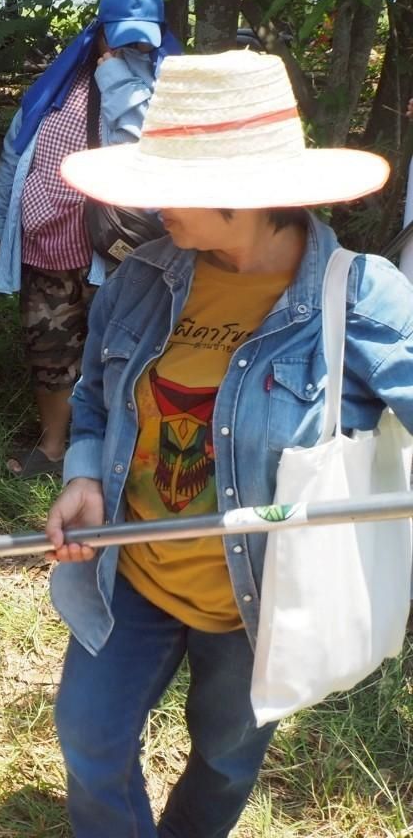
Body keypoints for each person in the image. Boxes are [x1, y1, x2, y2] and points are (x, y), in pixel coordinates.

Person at [43, 50, 409, 838]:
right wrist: (84, 476)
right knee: (89, 739)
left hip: (259, 608)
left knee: (225, 761)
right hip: (133, 571)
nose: (151, 206)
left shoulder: (360, 297)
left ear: (242, 196)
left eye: (169, 187)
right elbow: (96, 398)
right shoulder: (143, 278)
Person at [0, 0, 178, 479]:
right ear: (99, 32)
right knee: (49, 347)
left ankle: (115, 457)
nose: (132, 48)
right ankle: (53, 447)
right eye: (121, 38)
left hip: (114, 251)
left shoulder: (162, 87)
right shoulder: (58, 84)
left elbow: (142, 149)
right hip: (48, 244)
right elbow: (14, 155)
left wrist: (117, 78)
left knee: (120, 350)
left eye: (142, 40)